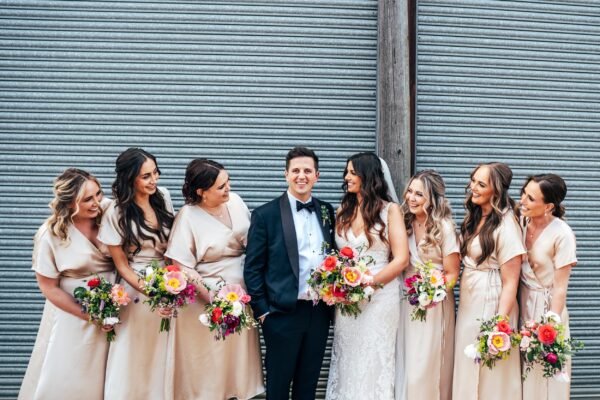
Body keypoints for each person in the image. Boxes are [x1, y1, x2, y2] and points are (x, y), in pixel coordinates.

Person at [165, 159, 264, 399]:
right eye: (221, 187)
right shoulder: (188, 216)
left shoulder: (237, 202)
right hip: (207, 303)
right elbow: (181, 264)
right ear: (202, 192)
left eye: (228, 182)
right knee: (210, 365)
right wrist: (215, 301)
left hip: (240, 299)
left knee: (236, 364)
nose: (228, 188)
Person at [244, 146, 336, 400]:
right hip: (281, 314)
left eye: (307, 170)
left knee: (307, 386)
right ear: (286, 174)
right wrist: (263, 312)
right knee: (278, 386)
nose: (301, 176)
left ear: (317, 175)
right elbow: (252, 268)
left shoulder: (328, 212)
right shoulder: (265, 214)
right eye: (295, 170)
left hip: (318, 312)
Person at [19, 168, 115, 400]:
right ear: (71, 202)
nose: (97, 202)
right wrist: (90, 315)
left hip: (115, 308)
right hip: (73, 313)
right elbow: (48, 287)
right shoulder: (51, 234)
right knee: (71, 374)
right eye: (88, 199)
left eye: (98, 194)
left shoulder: (109, 213)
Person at [326, 152, 409, 400]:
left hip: (380, 297)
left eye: (353, 172)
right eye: (347, 172)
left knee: (375, 356)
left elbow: (402, 258)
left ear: (368, 175)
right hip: (347, 299)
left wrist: (367, 285)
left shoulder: (390, 211)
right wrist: (340, 285)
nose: (347, 177)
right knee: (348, 354)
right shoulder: (343, 210)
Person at [98, 148, 174, 400]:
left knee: (165, 352)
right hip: (136, 289)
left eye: (155, 173)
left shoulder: (163, 196)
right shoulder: (116, 213)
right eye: (146, 176)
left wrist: (173, 288)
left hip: (170, 281)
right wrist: (155, 292)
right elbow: (121, 266)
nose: (154, 180)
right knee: (135, 353)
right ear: (130, 178)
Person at [453, 162, 525, 400]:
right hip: (469, 299)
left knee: (486, 367)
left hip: (490, 300)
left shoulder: (506, 225)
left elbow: (511, 282)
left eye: (481, 184)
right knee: (468, 358)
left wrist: (500, 325)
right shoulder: (476, 216)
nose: (473, 187)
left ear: (497, 191)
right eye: (473, 180)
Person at [398, 169, 460, 400]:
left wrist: (432, 293)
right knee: (409, 360)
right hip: (407, 300)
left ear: (432, 200)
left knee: (428, 363)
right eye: (410, 192)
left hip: (434, 305)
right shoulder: (404, 223)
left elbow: (453, 274)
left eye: (419, 195)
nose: (411, 198)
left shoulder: (444, 228)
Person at [518, 174, 577, 399]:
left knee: (545, 372)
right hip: (523, 304)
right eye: (523, 193)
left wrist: (550, 323)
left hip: (548, 308)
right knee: (523, 371)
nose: (522, 200)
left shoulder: (562, 234)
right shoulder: (521, 222)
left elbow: (561, 287)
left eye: (531, 198)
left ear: (549, 206)